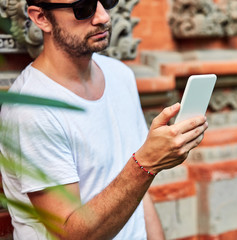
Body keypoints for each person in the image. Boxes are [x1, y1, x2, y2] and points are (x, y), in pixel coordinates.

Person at [0, 0, 208, 239]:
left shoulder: (120, 75)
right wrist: (146, 164)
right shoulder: (32, 109)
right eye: (83, 8)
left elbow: (138, 192)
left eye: (106, 1)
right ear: (41, 18)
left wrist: (145, 167)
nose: (103, 17)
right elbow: (71, 234)